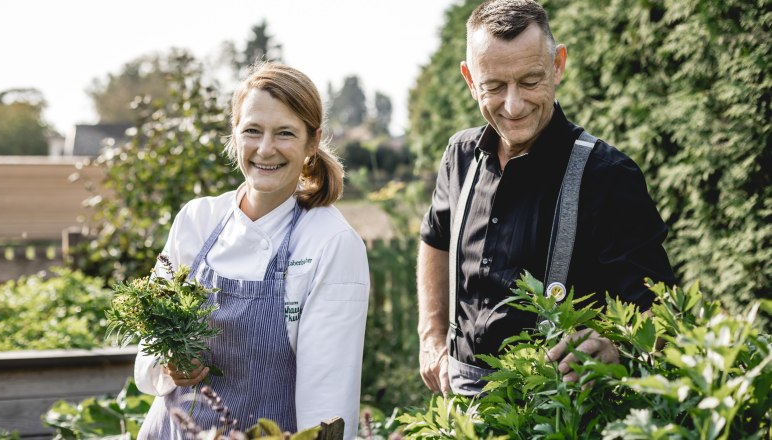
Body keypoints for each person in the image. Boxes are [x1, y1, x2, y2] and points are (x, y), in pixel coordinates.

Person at [417, 0, 676, 396]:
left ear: (558, 65)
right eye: (494, 86)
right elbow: (435, 239)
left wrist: (615, 349)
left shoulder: (608, 177)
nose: (514, 105)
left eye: (530, 81)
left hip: (560, 415)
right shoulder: (460, 155)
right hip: (460, 409)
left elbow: (658, 314)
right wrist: (431, 336)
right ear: (470, 80)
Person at [135, 62, 370, 439]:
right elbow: (150, 342)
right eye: (253, 131)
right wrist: (167, 363)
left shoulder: (330, 243)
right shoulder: (198, 219)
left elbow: (326, 406)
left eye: (285, 133)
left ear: (313, 142)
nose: (265, 149)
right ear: (235, 134)